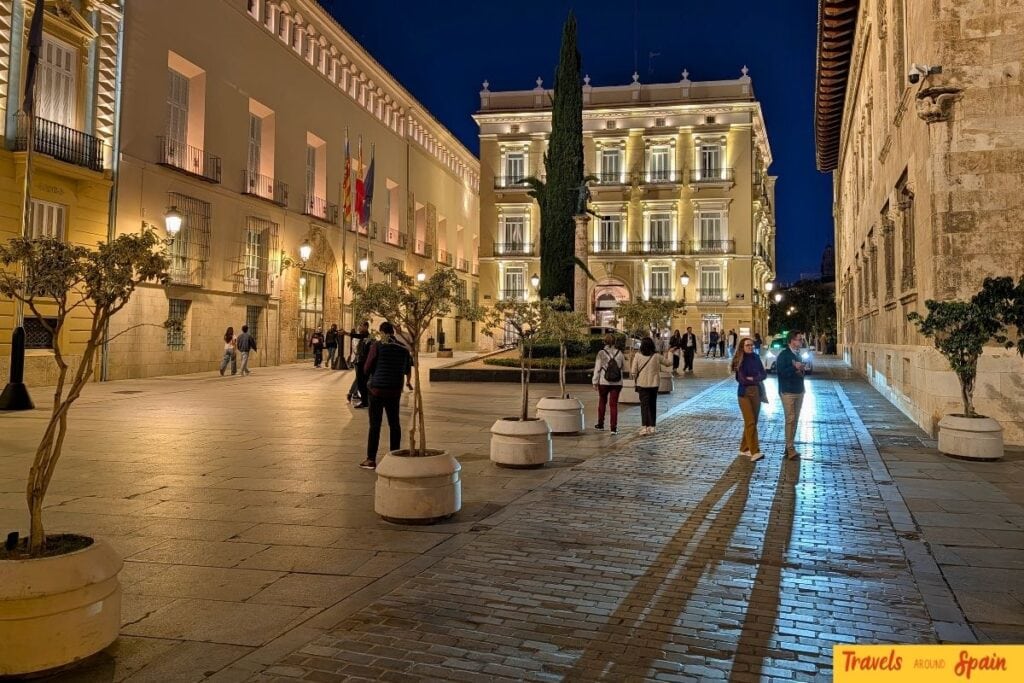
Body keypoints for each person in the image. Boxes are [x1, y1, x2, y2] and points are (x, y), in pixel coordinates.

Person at [360, 321, 412, 469]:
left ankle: (371, 459)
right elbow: (407, 369)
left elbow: (367, 367)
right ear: (393, 333)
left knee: (375, 425)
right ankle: (394, 456)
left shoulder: (377, 345)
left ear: (382, 332)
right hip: (394, 390)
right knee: (394, 424)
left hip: (377, 390)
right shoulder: (403, 349)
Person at [732, 337, 767, 462]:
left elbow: (764, 374)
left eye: (752, 345)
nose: (750, 347)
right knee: (750, 421)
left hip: (756, 392)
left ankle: (743, 448)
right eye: (747, 345)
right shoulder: (739, 360)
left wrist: (755, 378)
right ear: (742, 347)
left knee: (752, 422)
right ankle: (755, 452)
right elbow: (742, 379)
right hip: (744, 393)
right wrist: (754, 378)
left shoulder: (756, 358)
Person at [631, 336, 672, 435]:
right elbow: (668, 363)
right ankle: (652, 427)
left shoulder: (637, 356)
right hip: (654, 385)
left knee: (644, 406)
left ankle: (644, 427)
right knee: (652, 405)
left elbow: (633, 372)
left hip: (642, 384)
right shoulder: (656, 356)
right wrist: (670, 352)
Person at [776, 330, 807, 460]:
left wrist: (801, 370)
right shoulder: (784, 355)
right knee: (790, 419)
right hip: (788, 391)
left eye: (801, 339)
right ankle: (790, 449)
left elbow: (800, 373)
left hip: (799, 390)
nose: (800, 342)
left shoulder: (798, 355)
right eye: (798, 339)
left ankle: (789, 446)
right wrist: (795, 368)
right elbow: (781, 373)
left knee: (794, 420)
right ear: (791, 341)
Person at [591, 333, 624, 435]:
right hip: (617, 382)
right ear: (615, 342)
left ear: (604, 342)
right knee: (613, 405)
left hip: (604, 381)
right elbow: (623, 367)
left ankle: (600, 424)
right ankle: (613, 428)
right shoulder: (620, 353)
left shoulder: (601, 353)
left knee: (602, 402)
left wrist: (595, 381)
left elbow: (597, 368)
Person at [348, 321, 371, 407]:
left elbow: (359, 337)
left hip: (363, 362)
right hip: (359, 361)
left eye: (361, 326)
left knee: (361, 381)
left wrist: (347, 333)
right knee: (360, 381)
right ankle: (359, 397)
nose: (359, 328)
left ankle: (355, 395)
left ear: (366, 326)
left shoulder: (366, 336)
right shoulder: (362, 336)